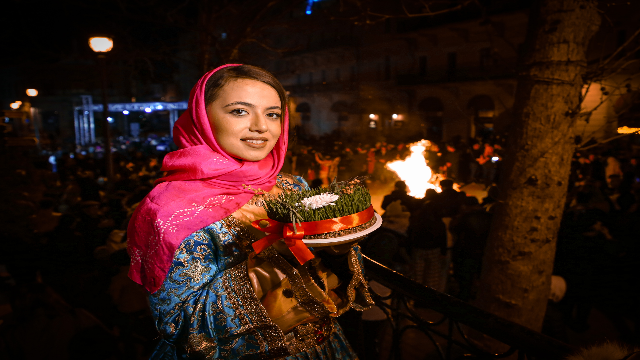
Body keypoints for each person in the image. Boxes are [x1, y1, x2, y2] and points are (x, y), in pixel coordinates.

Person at [126, 65, 372, 359]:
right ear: (203, 117)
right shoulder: (168, 208)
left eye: (273, 114)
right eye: (240, 111)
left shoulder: (291, 186)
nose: (261, 126)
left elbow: (333, 274)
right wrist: (272, 268)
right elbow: (179, 323)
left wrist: (338, 248)